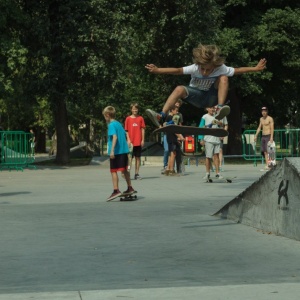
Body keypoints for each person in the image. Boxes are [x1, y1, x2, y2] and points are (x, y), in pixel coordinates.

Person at [145, 43, 267, 127]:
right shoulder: (195, 67)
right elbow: (177, 70)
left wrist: (255, 69)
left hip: (211, 98)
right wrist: (158, 70)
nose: (204, 72)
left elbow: (238, 70)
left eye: (208, 70)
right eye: (202, 69)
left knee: (224, 78)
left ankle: (219, 108)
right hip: (195, 96)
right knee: (179, 89)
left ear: (214, 65)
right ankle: (161, 116)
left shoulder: (220, 68)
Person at [103, 106, 136, 201]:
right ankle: (130, 187)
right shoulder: (118, 124)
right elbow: (125, 134)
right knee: (125, 170)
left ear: (108, 115)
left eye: (105, 116)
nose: (105, 118)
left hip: (117, 152)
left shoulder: (111, 125)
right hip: (124, 151)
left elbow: (114, 137)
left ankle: (116, 190)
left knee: (113, 171)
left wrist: (112, 150)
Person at [198, 107, 224, 181]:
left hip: (217, 140)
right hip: (208, 140)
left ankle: (218, 173)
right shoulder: (205, 117)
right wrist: (201, 139)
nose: (213, 109)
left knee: (216, 156)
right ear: (207, 109)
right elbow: (201, 127)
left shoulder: (217, 116)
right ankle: (207, 173)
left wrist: (220, 123)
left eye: (213, 108)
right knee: (208, 157)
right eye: (211, 108)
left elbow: (221, 125)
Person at [124, 103, 146, 180]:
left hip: (138, 142)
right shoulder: (128, 119)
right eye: (133, 109)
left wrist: (142, 140)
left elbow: (142, 129)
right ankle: (128, 173)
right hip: (131, 143)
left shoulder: (141, 118)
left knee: (138, 158)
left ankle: (136, 174)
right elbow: (126, 130)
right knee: (129, 159)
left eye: (136, 109)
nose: (135, 110)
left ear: (138, 109)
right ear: (131, 109)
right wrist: (128, 139)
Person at [163, 105, 184, 176]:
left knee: (170, 153)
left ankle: (168, 169)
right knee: (173, 153)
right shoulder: (170, 117)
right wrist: (180, 137)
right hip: (172, 137)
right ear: (172, 110)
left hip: (170, 137)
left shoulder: (169, 117)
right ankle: (172, 170)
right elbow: (174, 129)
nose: (177, 112)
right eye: (176, 110)